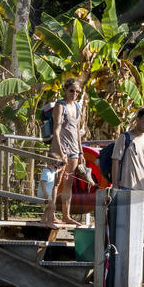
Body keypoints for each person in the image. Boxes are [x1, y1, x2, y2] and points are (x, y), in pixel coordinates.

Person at [45, 78, 87, 227]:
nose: (74, 94)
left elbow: (77, 130)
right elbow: (56, 130)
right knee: (56, 182)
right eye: (71, 91)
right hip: (59, 149)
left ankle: (66, 215)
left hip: (74, 149)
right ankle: (51, 214)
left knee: (69, 183)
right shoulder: (60, 105)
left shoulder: (77, 106)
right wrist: (61, 152)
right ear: (65, 90)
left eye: (77, 92)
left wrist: (81, 152)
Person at [110, 107, 144, 194]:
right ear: (137, 120)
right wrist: (115, 185)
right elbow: (115, 161)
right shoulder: (124, 137)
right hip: (124, 186)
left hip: (142, 188)